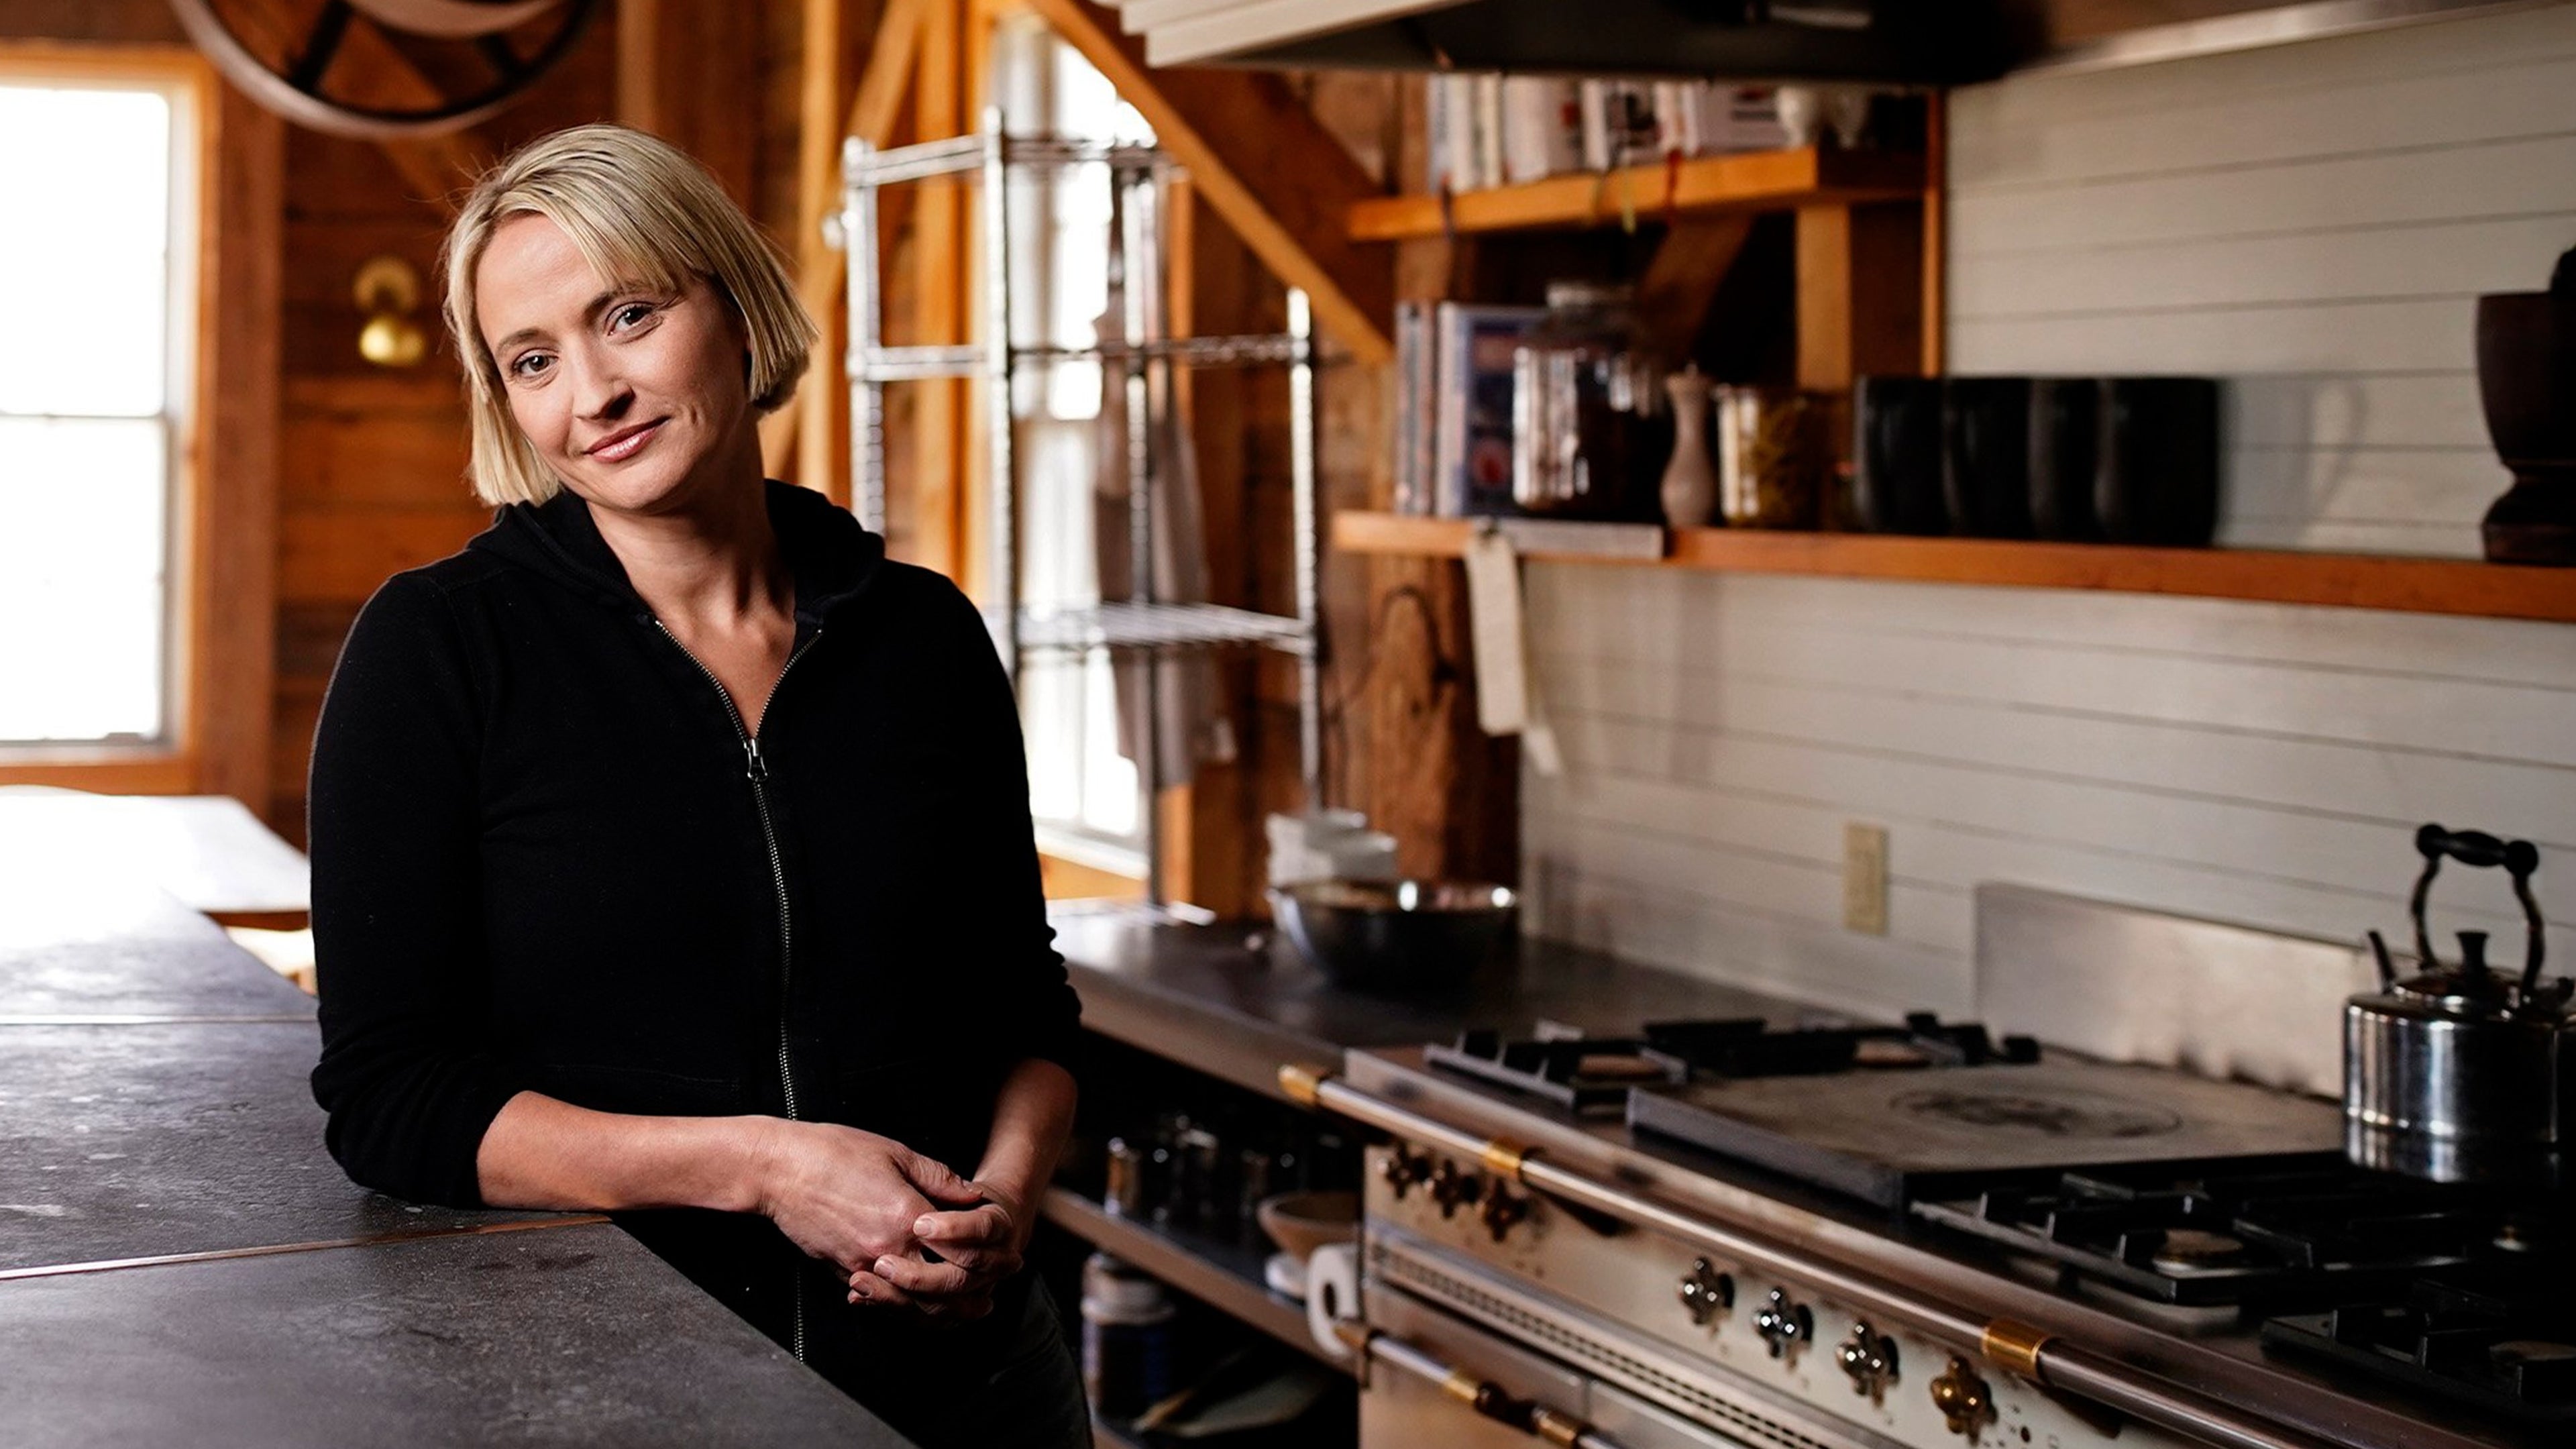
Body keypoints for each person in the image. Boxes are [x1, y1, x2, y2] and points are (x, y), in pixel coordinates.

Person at [307, 123, 1089, 1448]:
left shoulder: (924, 640)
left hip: (976, 1383)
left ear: (734, 305)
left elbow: (1027, 1011)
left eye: (630, 315)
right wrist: (767, 1167)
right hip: (616, 1392)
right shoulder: (439, 651)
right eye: (534, 360)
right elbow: (394, 1101)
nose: (594, 393)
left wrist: (1005, 1204)